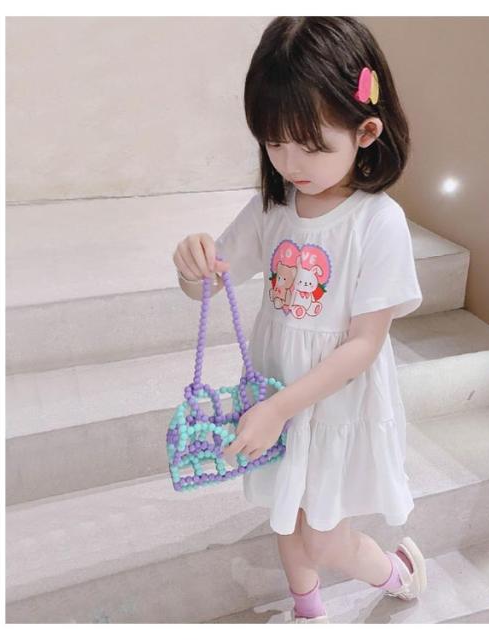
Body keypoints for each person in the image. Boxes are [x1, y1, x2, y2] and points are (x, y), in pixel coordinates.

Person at [173, 17, 427, 624]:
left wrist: (279, 409)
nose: (290, 163)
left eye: (310, 146)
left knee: (322, 536)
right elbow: (210, 282)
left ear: (366, 130)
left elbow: (364, 344)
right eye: (274, 143)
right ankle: (308, 612)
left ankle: (398, 573)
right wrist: (192, 263)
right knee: (285, 516)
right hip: (276, 390)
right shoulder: (273, 207)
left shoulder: (378, 223)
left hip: (332, 399)